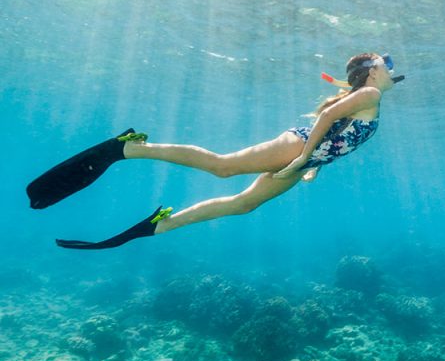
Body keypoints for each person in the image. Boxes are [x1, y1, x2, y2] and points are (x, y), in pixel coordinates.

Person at [27, 53, 404, 249]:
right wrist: (304, 157)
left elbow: (338, 132)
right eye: (386, 64)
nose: (391, 70)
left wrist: (314, 165)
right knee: (222, 167)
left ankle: (160, 223)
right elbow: (326, 120)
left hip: (305, 156)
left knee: (244, 204)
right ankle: (129, 148)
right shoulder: (369, 93)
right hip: (298, 147)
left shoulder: (368, 96)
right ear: (372, 72)